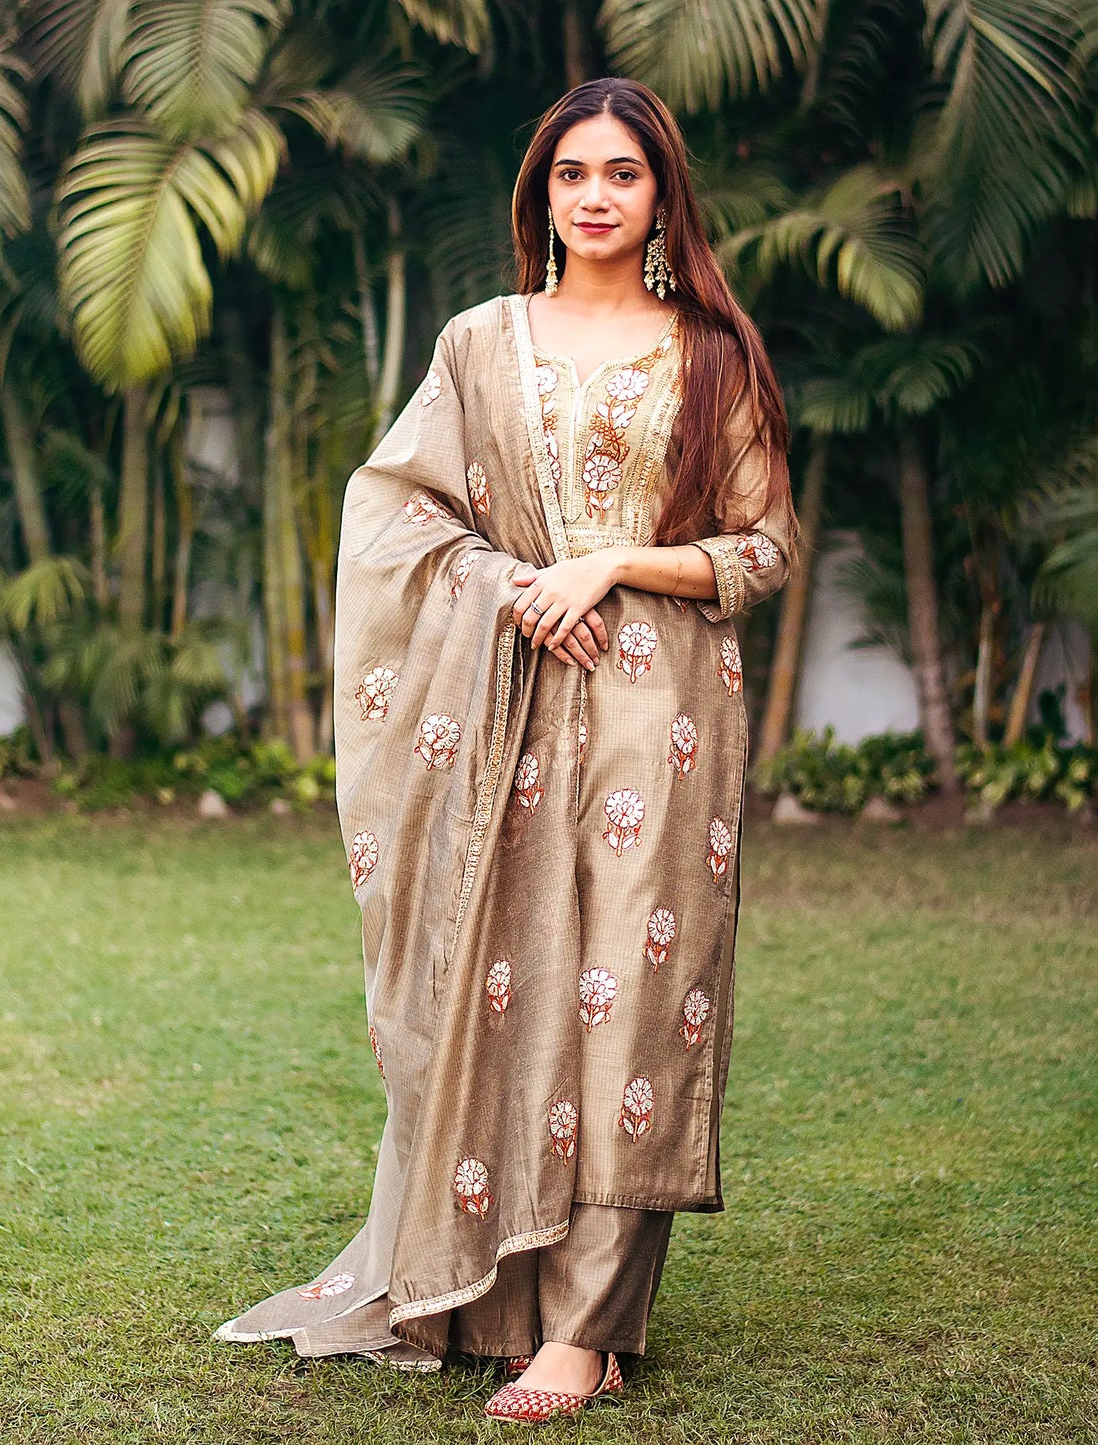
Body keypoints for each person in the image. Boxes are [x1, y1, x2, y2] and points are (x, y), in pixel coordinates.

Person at [214, 76, 799, 1423]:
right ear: (541, 196)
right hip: (510, 704)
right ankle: (494, 1287)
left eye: (622, 175)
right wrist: (507, 586)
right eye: (570, 175)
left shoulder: (711, 350)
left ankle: (584, 1328)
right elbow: (396, 519)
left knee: (632, 996)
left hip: (662, 716)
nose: (594, 196)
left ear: (663, 199)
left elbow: (764, 548)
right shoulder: (482, 342)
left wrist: (604, 566)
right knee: (511, 974)